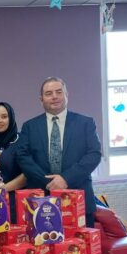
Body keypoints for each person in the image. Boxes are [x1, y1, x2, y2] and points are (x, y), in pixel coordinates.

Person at [17, 77, 102, 227]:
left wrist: (65, 178)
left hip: (78, 198)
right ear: (41, 99)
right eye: (49, 93)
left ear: (66, 95)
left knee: (81, 249)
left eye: (59, 92)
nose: (54, 96)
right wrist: (49, 181)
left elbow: (94, 154)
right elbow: (23, 157)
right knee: (43, 249)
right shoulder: (29, 126)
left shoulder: (86, 123)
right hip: (41, 200)